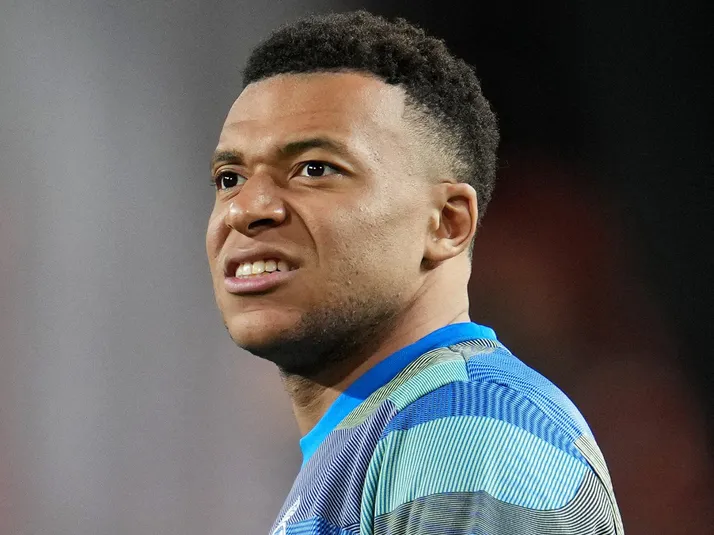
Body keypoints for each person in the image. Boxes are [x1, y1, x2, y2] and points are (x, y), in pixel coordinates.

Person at [205, 10, 624, 535]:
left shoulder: (462, 432)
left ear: (448, 223)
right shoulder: (392, 437)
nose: (246, 209)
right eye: (230, 177)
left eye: (315, 169)